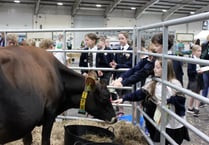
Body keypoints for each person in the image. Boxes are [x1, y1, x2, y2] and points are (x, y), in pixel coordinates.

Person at [112, 59, 190, 144]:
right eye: (154, 67)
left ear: (165, 69)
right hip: (162, 121)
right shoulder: (154, 83)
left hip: (175, 123)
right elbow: (140, 93)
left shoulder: (174, 83)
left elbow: (181, 99)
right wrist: (124, 98)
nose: (154, 70)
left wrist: (167, 101)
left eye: (157, 67)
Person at [109, 31, 133, 115]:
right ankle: (121, 112)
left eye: (122, 38)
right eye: (119, 39)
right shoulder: (118, 49)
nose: (120, 40)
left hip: (127, 76)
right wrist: (113, 65)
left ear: (127, 39)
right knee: (119, 94)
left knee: (129, 94)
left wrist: (118, 65)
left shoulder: (131, 50)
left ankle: (134, 112)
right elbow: (115, 61)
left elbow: (130, 64)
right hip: (118, 76)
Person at [187, 45, 204, 117]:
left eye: (200, 51)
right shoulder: (191, 60)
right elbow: (189, 72)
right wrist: (197, 72)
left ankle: (192, 108)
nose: (200, 52)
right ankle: (194, 108)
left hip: (199, 78)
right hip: (194, 79)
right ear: (193, 52)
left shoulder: (199, 59)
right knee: (194, 94)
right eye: (198, 51)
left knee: (197, 93)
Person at [199, 34, 209, 107]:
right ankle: (203, 100)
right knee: (205, 84)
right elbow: (202, 55)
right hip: (206, 67)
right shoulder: (205, 45)